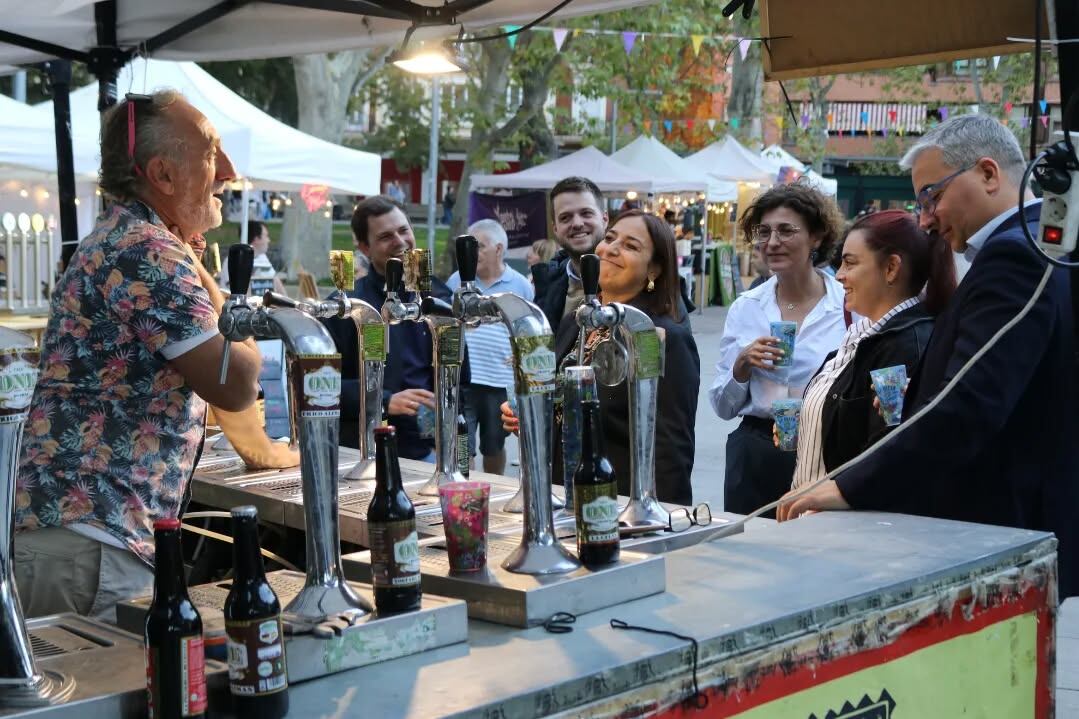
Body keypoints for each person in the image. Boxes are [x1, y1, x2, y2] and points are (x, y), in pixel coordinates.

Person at [777, 114, 1079, 597]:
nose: (925, 218)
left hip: (1000, 531)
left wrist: (849, 487)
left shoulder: (1017, 255)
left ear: (987, 174)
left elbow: (968, 402)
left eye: (931, 196)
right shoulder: (1037, 247)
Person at [14, 91, 261, 621]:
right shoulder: (144, 249)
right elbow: (236, 383)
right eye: (213, 150)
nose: (229, 172)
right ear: (162, 175)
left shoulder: (130, 238)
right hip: (93, 543)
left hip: (80, 539)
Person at [504, 210, 700, 504]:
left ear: (654, 270)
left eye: (632, 246)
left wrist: (660, 519)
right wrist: (534, 418)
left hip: (618, 505)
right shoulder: (575, 322)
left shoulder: (658, 336)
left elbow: (671, 446)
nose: (612, 248)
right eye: (609, 238)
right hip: (561, 495)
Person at [787, 209, 956, 489]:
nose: (839, 275)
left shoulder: (903, 347)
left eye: (850, 263)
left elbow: (888, 454)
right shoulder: (864, 332)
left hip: (846, 523)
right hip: (815, 513)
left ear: (891, 268)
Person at [710, 183, 846, 517]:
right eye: (764, 232)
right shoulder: (747, 307)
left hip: (822, 451)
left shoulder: (846, 304)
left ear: (816, 237)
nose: (772, 242)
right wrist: (741, 367)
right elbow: (722, 406)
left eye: (786, 231)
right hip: (755, 451)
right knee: (750, 558)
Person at [322, 196, 468, 460]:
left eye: (403, 230)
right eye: (386, 236)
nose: (400, 242)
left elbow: (460, 377)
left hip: (433, 449)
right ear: (364, 248)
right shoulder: (346, 307)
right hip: (366, 451)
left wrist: (461, 445)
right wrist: (385, 399)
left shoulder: (439, 294)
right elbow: (323, 387)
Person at [446, 220, 533, 475]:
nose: (472, 254)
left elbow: (528, 330)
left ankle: (495, 495)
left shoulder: (520, 285)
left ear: (498, 249)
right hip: (465, 380)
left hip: (500, 383)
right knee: (464, 445)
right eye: (469, 247)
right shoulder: (456, 282)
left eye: (479, 247)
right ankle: (467, 495)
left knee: (493, 447)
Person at [531, 176, 608, 335]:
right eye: (565, 217)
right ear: (556, 228)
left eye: (586, 213)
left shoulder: (626, 280)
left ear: (605, 219)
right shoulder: (546, 285)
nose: (577, 223)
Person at [218, 220, 287, 296]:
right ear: (256, 239)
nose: (269, 240)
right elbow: (237, 293)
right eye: (266, 236)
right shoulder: (234, 260)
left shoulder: (262, 258)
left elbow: (276, 284)